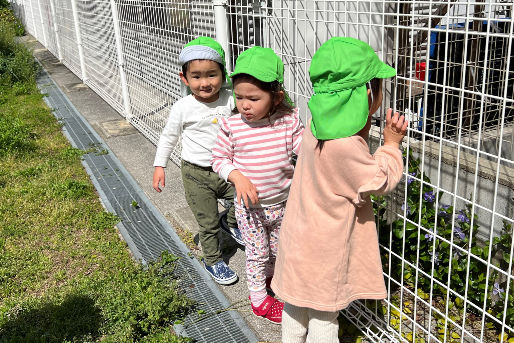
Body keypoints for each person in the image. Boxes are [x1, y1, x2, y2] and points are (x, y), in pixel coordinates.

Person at [271, 37, 408, 342]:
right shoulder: (346, 146)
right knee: (324, 314)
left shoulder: (314, 128)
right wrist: (391, 146)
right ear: (365, 94)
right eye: (377, 86)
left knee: (294, 303)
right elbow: (380, 180)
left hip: (298, 239)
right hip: (325, 250)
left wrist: (363, 128)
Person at [211, 46, 304, 324]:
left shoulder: (288, 121)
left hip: (282, 204)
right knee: (257, 253)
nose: (244, 105)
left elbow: (305, 150)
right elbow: (218, 158)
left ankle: (272, 282)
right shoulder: (233, 126)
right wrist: (237, 177)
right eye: (239, 97)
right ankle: (258, 299)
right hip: (250, 208)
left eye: (253, 98)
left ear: (275, 97)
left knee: (277, 250)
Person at [152, 36, 243, 286]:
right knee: (208, 222)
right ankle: (213, 260)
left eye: (212, 74)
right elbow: (168, 137)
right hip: (196, 174)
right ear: (185, 78)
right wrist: (160, 165)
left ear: (224, 75)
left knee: (243, 198)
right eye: (197, 76)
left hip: (226, 169)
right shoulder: (183, 107)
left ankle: (231, 221)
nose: (205, 83)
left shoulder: (231, 99)